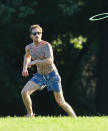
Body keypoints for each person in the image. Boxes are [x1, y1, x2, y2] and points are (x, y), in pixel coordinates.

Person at [21, 24, 77, 117]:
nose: (37, 35)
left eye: (39, 33)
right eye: (34, 33)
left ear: (41, 34)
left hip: (52, 75)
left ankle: (75, 118)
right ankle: (30, 114)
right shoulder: (29, 47)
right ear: (31, 36)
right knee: (24, 92)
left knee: (60, 101)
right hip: (40, 76)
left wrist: (35, 62)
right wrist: (24, 68)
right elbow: (27, 56)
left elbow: (50, 60)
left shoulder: (46, 45)